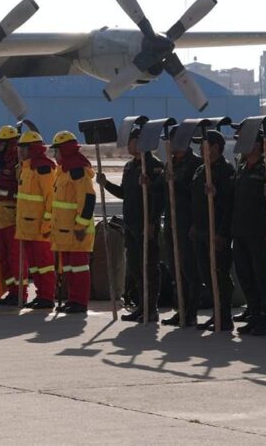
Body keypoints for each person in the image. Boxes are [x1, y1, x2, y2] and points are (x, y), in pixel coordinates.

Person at [98, 127, 165, 322]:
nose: (128, 145)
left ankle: (151, 309)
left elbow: (160, 197)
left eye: (131, 141)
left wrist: (152, 221)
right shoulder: (129, 166)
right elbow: (124, 194)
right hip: (131, 223)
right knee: (135, 268)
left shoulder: (153, 165)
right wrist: (106, 184)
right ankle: (141, 306)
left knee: (149, 267)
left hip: (146, 224)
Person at [230, 130, 266, 336]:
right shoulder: (243, 168)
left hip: (260, 233)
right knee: (245, 276)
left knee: (263, 278)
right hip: (241, 231)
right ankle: (254, 314)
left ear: (258, 145)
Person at [188, 130, 235, 331]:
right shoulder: (201, 170)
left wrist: (222, 233)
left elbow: (229, 203)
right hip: (200, 229)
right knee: (206, 274)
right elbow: (195, 200)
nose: (200, 149)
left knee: (220, 274)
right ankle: (217, 312)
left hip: (215, 230)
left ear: (216, 147)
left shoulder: (225, 171)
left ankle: (225, 316)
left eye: (204, 145)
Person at [48, 131, 96, 314]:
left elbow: (88, 199)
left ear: (65, 150)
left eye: (57, 151)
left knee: (79, 268)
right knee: (68, 268)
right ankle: (72, 299)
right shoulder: (63, 171)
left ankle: (80, 302)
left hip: (77, 231)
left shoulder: (78, 171)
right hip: (64, 231)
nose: (55, 155)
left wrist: (81, 226)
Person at [160, 127, 203, 327]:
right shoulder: (171, 164)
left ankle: (191, 311)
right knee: (174, 268)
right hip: (170, 221)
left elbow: (195, 196)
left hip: (187, 223)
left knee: (188, 269)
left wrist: (174, 184)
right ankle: (181, 309)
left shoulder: (196, 164)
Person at [11, 130, 56, 309]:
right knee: (35, 266)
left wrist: (46, 224)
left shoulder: (44, 168)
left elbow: (50, 199)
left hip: (40, 229)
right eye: (20, 148)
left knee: (44, 264)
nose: (20, 151)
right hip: (27, 228)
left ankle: (47, 296)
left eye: (24, 148)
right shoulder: (25, 168)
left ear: (33, 149)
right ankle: (40, 294)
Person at [0, 125, 21, 305]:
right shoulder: (1, 161)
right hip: (0, 214)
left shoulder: (16, 162)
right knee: (3, 256)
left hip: (11, 214)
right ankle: (12, 291)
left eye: (2, 143)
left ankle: (19, 293)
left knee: (14, 256)